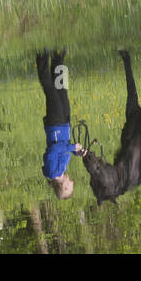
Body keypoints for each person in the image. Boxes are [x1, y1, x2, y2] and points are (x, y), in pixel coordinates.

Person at [36, 49, 84, 199]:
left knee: (51, 90)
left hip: (55, 125)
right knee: (61, 89)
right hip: (64, 124)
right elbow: (64, 148)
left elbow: (53, 149)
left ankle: (42, 55)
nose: (72, 182)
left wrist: (71, 147)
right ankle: (58, 57)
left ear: (63, 186)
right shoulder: (62, 169)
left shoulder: (52, 172)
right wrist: (77, 152)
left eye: (70, 186)